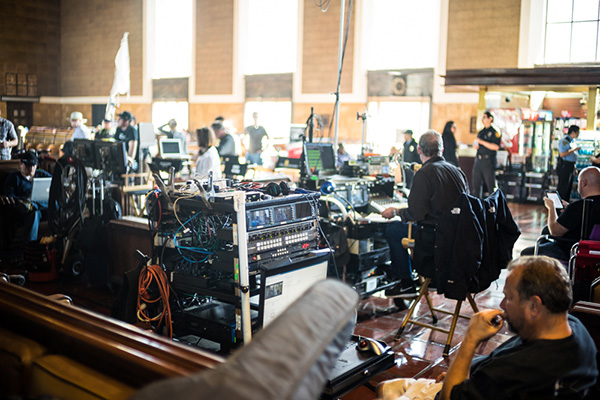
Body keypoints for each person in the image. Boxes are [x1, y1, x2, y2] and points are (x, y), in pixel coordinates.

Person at [377, 256, 598, 400]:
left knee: (385, 391)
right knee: (387, 388)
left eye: (509, 298)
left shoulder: (515, 374)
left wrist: (471, 339)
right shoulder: (574, 327)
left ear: (534, 305)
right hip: (471, 383)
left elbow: (449, 397)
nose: (501, 305)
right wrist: (466, 372)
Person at [381, 130, 468, 298]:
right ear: (441, 150)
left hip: (433, 238)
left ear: (419, 150)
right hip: (456, 239)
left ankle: (405, 283)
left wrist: (395, 211)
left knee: (393, 230)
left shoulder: (424, 173)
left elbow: (416, 213)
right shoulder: (458, 172)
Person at [521, 166, 600, 262]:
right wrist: (569, 210)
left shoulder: (578, 207)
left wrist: (551, 208)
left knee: (526, 253)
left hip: (571, 251)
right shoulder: (580, 208)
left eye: (578, 181)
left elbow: (555, 231)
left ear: (584, 183)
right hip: (593, 252)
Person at [2, 151, 51, 242]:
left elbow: (53, 183)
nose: (31, 168)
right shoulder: (14, 177)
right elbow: (9, 196)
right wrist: (25, 199)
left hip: (43, 207)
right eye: (28, 165)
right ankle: (30, 246)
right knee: (34, 213)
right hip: (23, 210)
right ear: (21, 164)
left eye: (34, 165)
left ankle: (32, 205)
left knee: (55, 203)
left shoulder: (41, 174)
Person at [471, 111, 501, 199]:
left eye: (485, 117)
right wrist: (476, 144)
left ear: (490, 119)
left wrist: (482, 142)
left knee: (490, 185)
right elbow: (477, 144)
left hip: (488, 161)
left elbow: (495, 147)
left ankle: (493, 205)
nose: (483, 119)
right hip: (479, 160)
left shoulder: (495, 132)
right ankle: (477, 205)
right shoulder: (481, 132)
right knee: (476, 184)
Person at [557, 125, 581, 202]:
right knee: (563, 187)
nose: (578, 134)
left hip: (570, 166)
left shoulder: (572, 141)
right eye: (577, 132)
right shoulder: (565, 141)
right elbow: (562, 154)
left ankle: (565, 205)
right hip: (565, 166)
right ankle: (559, 206)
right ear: (573, 132)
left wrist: (574, 168)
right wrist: (573, 150)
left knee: (568, 188)